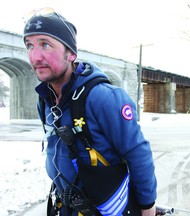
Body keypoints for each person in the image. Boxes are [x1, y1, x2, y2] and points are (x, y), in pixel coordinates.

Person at [23, 8, 157, 216]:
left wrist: (147, 205)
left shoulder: (103, 98)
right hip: (66, 205)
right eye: (29, 46)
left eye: (45, 45)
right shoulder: (45, 98)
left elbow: (138, 153)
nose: (35, 56)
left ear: (71, 53)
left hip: (103, 209)